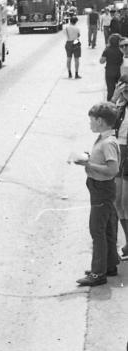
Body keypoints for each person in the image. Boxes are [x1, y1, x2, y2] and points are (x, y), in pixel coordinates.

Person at [73, 101, 121, 287]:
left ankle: (97, 273)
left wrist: (88, 165)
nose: (90, 123)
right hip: (101, 190)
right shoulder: (104, 138)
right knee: (107, 228)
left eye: (92, 120)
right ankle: (109, 265)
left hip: (102, 190)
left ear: (100, 121)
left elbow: (112, 170)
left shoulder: (107, 142)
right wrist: (89, 158)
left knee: (97, 230)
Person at [112, 68, 128, 259]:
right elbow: (104, 120)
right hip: (119, 152)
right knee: (118, 201)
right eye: (124, 90)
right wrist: (116, 96)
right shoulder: (120, 106)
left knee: (125, 202)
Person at [100, 33, 123, 100]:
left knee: (110, 91)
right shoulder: (122, 49)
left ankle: (110, 107)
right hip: (120, 71)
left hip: (110, 72)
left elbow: (102, 61)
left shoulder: (107, 50)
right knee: (121, 90)